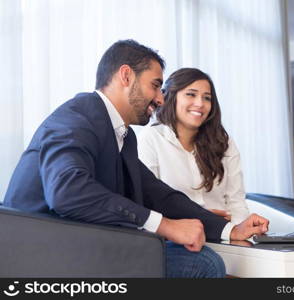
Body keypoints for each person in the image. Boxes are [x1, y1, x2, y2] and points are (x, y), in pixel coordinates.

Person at [3, 39, 269, 278]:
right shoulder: (77, 117)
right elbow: (68, 191)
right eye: (155, 86)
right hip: (44, 255)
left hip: (84, 242)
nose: (161, 99)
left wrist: (229, 230)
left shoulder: (122, 134)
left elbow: (158, 195)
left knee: (200, 259)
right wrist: (165, 225)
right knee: (201, 264)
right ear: (126, 76)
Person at [138, 68, 250, 225]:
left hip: (225, 235)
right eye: (191, 94)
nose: (200, 104)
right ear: (171, 97)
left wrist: (238, 232)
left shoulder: (224, 142)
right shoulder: (151, 138)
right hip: (175, 238)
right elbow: (149, 203)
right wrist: (202, 218)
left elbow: (237, 202)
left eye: (207, 98)